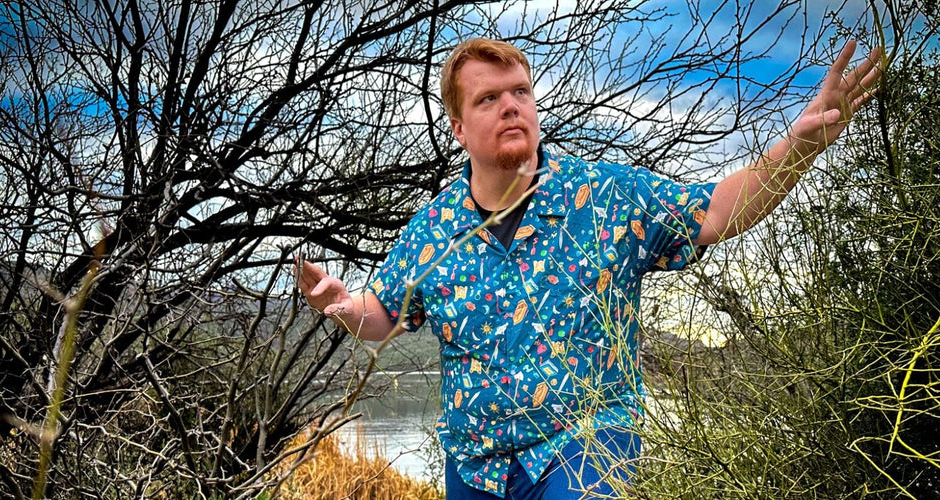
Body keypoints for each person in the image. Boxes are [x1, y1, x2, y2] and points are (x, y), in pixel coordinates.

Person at [296, 38, 882, 499]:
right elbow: (386, 314)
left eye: (520, 92)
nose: (511, 106)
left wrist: (799, 148)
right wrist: (341, 306)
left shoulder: (605, 197)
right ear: (458, 127)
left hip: (587, 446)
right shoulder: (433, 229)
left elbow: (717, 211)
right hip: (474, 467)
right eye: (488, 99)